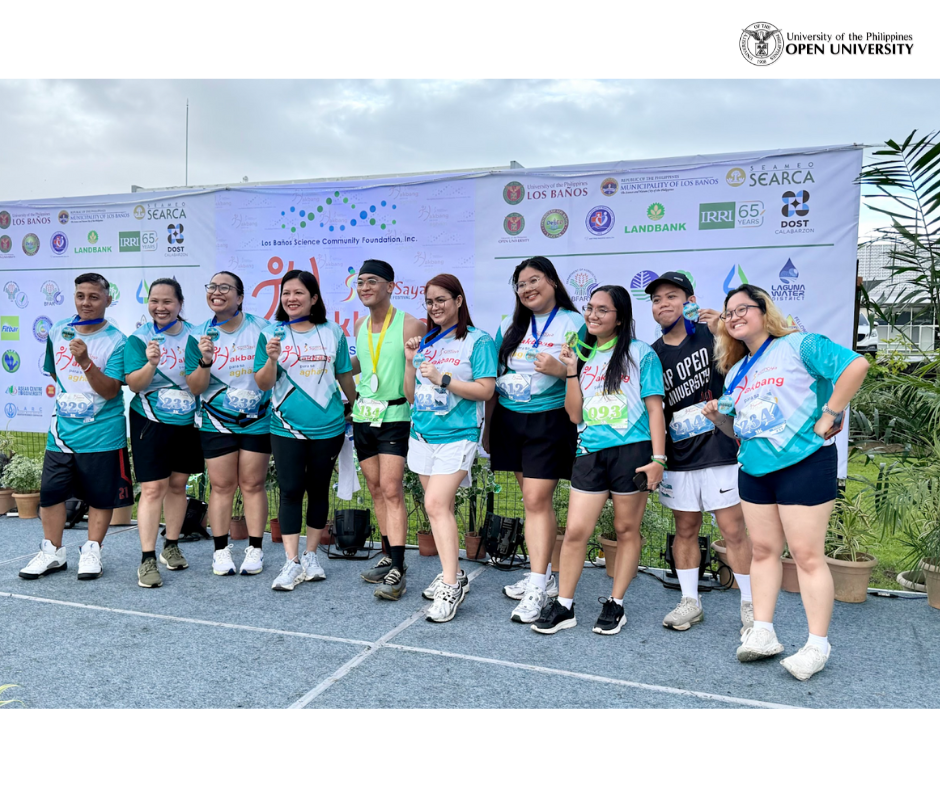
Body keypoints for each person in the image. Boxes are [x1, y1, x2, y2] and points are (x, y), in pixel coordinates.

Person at [704, 284, 869, 681]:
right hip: (754, 471)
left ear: (765, 311)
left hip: (805, 462)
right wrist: (720, 419)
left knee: (806, 555)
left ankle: (817, 645)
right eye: (729, 313)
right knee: (762, 551)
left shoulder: (800, 344)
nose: (736, 316)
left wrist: (830, 413)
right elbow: (741, 431)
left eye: (744, 308)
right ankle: (763, 632)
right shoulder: (737, 372)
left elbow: (856, 366)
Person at [531, 285, 666, 635]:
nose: (592, 315)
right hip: (589, 453)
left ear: (620, 318)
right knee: (575, 531)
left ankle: (616, 603)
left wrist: (658, 459)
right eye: (590, 308)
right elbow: (575, 415)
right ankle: (564, 604)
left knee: (625, 529)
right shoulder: (583, 355)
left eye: (602, 310)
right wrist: (573, 369)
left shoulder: (641, 353)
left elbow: (654, 409)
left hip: (632, 453)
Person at [647, 272, 754, 633]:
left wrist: (724, 324)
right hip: (678, 455)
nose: (663, 304)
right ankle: (690, 600)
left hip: (720, 449)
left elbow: (751, 358)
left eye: (671, 296)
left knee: (732, 529)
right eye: (657, 299)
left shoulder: (715, 333)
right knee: (685, 528)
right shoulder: (652, 354)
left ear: (689, 300)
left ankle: (751, 606)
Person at [482, 256, 584, 623]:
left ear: (553, 282)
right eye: (521, 284)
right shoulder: (510, 327)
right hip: (511, 420)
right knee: (532, 502)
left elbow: (589, 373)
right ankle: (544, 572)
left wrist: (560, 370)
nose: (527, 289)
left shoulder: (576, 323)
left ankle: (539, 586)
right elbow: (493, 381)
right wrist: (489, 427)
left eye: (534, 280)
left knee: (536, 499)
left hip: (550, 420)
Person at [20, 273, 132, 581]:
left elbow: (110, 390)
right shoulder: (58, 331)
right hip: (61, 433)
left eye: (94, 297)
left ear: (108, 300)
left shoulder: (118, 341)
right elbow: (56, 374)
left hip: (102, 434)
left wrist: (85, 362)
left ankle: (92, 550)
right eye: (81, 295)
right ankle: (52, 552)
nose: (86, 302)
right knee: (51, 493)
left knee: (100, 495)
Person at [253, 270, 357, 591]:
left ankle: (311, 555)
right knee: (291, 491)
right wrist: (270, 359)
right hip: (286, 428)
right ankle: (291, 561)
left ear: (314, 298)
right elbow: (263, 383)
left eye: (299, 293)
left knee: (318, 489)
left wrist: (356, 404)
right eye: (286, 293)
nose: (291, 299)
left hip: (329, 427)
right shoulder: (271, 334)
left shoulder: (333, 332)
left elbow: (343, 376)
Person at [403, 274, 497, 622]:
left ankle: (450, 585)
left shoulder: (478, 341)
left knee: (436, 503)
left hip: (459, 435)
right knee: (437, 510)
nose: (435, 307)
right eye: (429, 301)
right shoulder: (426, 340)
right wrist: (410, 358)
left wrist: (444, 378)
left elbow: (486, 390)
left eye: (441, 299)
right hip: (423, 435)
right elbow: (411, 395)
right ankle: (452, 571)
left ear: (459, 300)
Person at [185, 272, 272, 577]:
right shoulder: (198, 334)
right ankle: (221, 551)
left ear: (240, 296)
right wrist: (205, 360)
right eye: (212, 287)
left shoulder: (263, 328)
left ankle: (256, 549)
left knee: (253, 484)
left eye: (225, 288)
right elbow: (195, 387)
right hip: (215, 421)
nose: (217, 292)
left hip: (258, 421)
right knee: (222, 486)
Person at [350, 260, 425, 600]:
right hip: (365, 417)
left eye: (373, 281)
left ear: (391, 286)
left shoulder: (411, 324)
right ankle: (388, 555)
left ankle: (398, 567)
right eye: (361, 282)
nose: (365, 287)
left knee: (393, 490)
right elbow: (364, 369)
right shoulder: (360, 326)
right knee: (376, 489)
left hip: (396, 415)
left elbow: (419, 373)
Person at [125, 278, 204, 588]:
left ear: (180, 304)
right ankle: (146, 558)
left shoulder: (196, 337)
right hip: (150, 419)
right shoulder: (139, 338)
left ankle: (170, 545)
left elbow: (199, 382)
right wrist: (151, 363)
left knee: (178, 485)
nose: (160, 307)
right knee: (153, 488)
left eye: (167, 301)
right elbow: (134, 384)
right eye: (154, 301)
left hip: (185, 422)